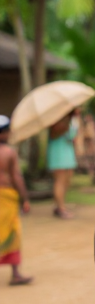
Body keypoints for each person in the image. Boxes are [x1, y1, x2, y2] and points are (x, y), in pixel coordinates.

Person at [0, 115, 33, 286]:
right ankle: (15, 273)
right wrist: (25, 199)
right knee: (13, 231)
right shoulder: (9, 153)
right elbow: (16, 177)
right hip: (7, 196)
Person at [47, 110, 79, 219]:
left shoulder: (71, 121)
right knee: (60, 181)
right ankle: (60, 208)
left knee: (67, 180)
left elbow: (72, 136)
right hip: (58, 153)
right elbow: (55, 133)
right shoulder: (55, 121)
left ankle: (60, 205)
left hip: (67, 152)